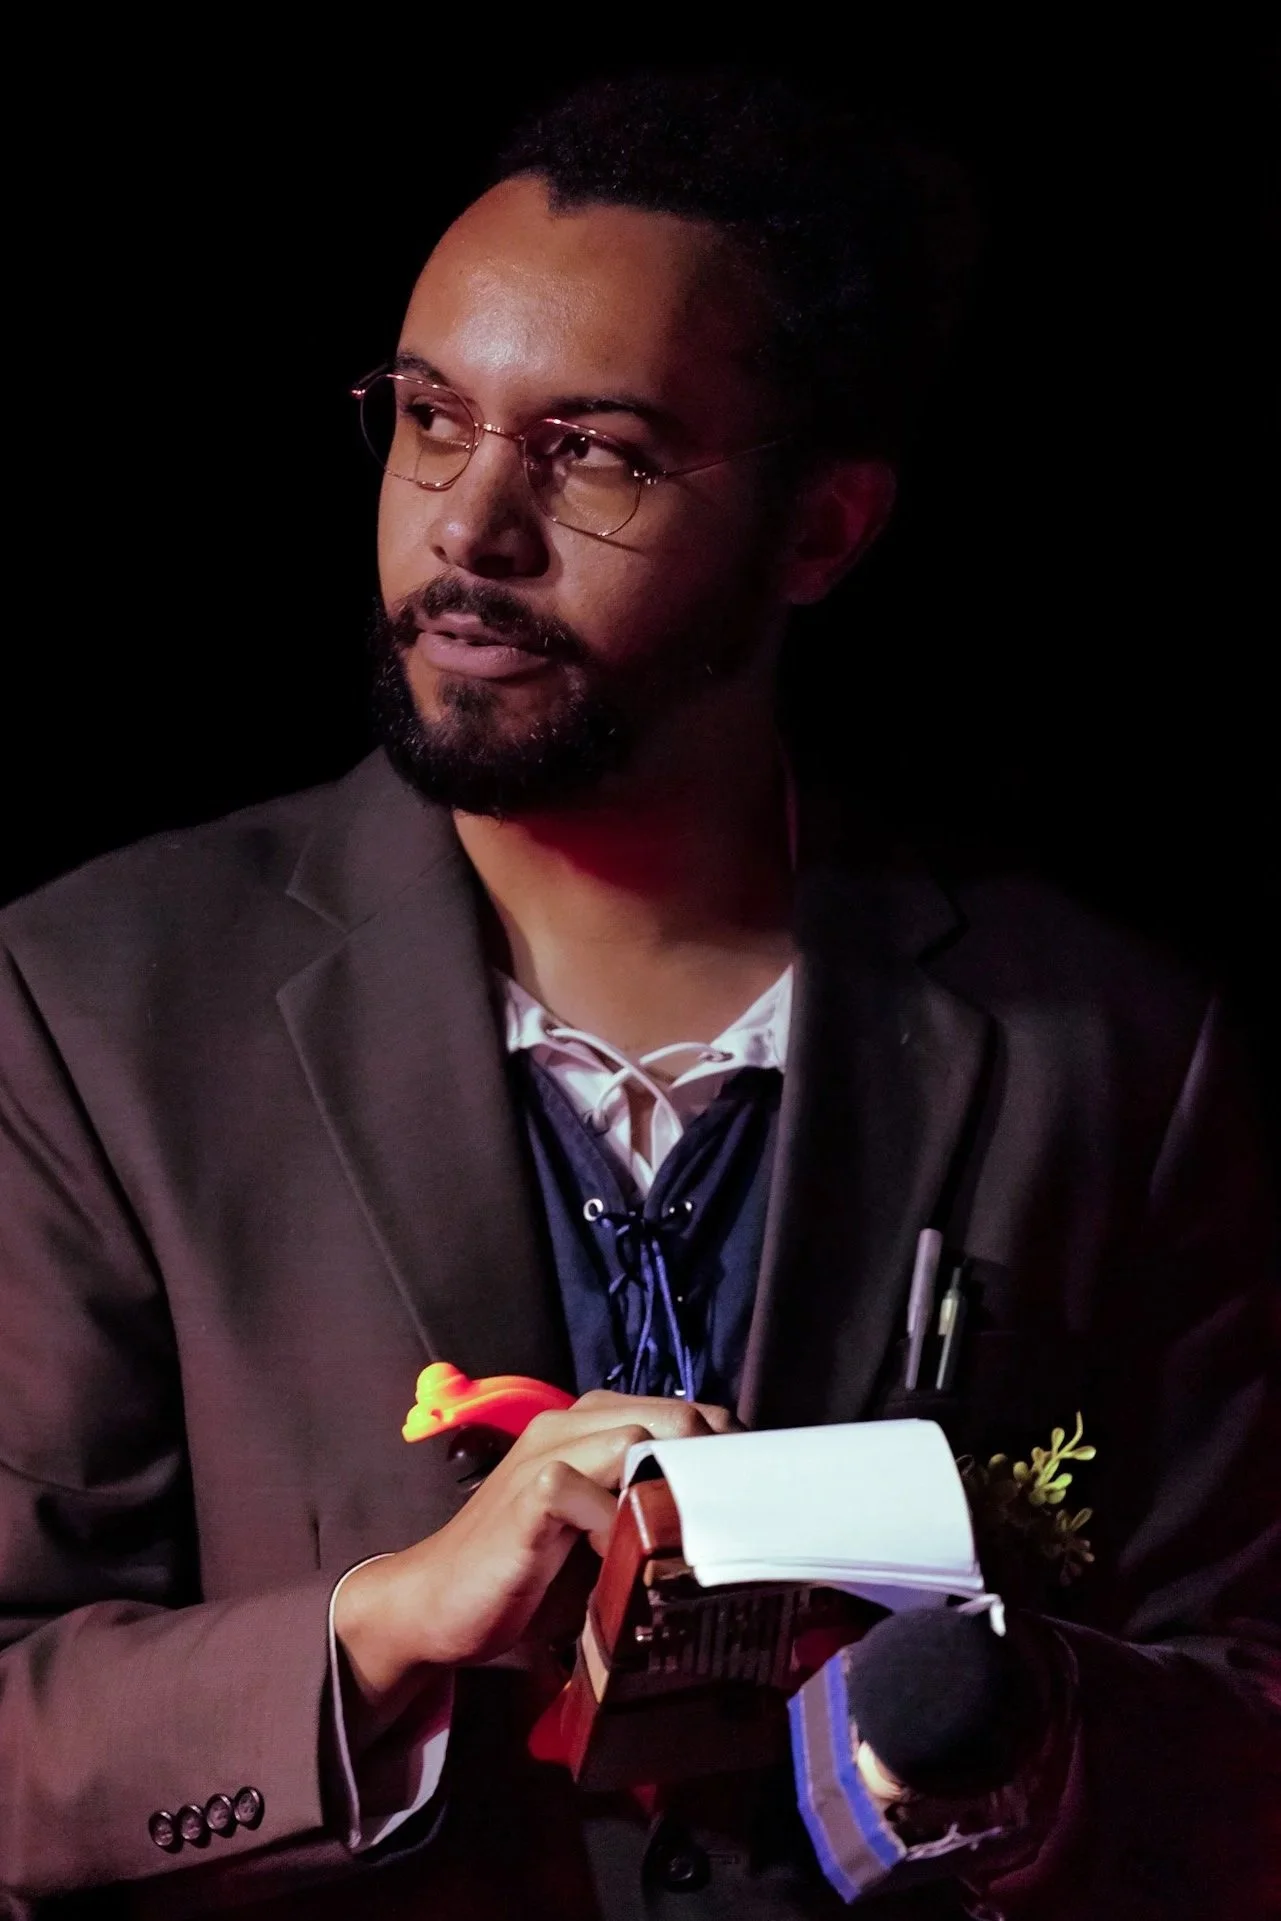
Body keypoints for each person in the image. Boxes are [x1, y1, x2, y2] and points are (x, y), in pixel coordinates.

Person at [1, 71, 1277, 1921]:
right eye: (428, 420)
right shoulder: (97, 1004)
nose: (468, 528)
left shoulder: (1118, 1052)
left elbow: (1243, 1722)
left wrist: (992, 1716)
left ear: (824, 531)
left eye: (594, 452)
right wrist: (380, 1628)